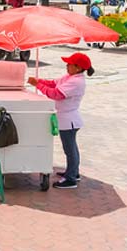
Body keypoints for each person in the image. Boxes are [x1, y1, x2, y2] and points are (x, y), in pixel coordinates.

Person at [27, 52, 95, 189]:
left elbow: (56, 94)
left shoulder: (76, 82)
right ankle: (73, 172)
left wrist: (38, 85)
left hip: (69, 120)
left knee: (70, 150)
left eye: (69, 64)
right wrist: (39, 81)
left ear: (78, 67)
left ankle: (70, 179)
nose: (67, 66)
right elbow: (53, 84)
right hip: (66, 119)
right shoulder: (70, 77)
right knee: (70, 149)